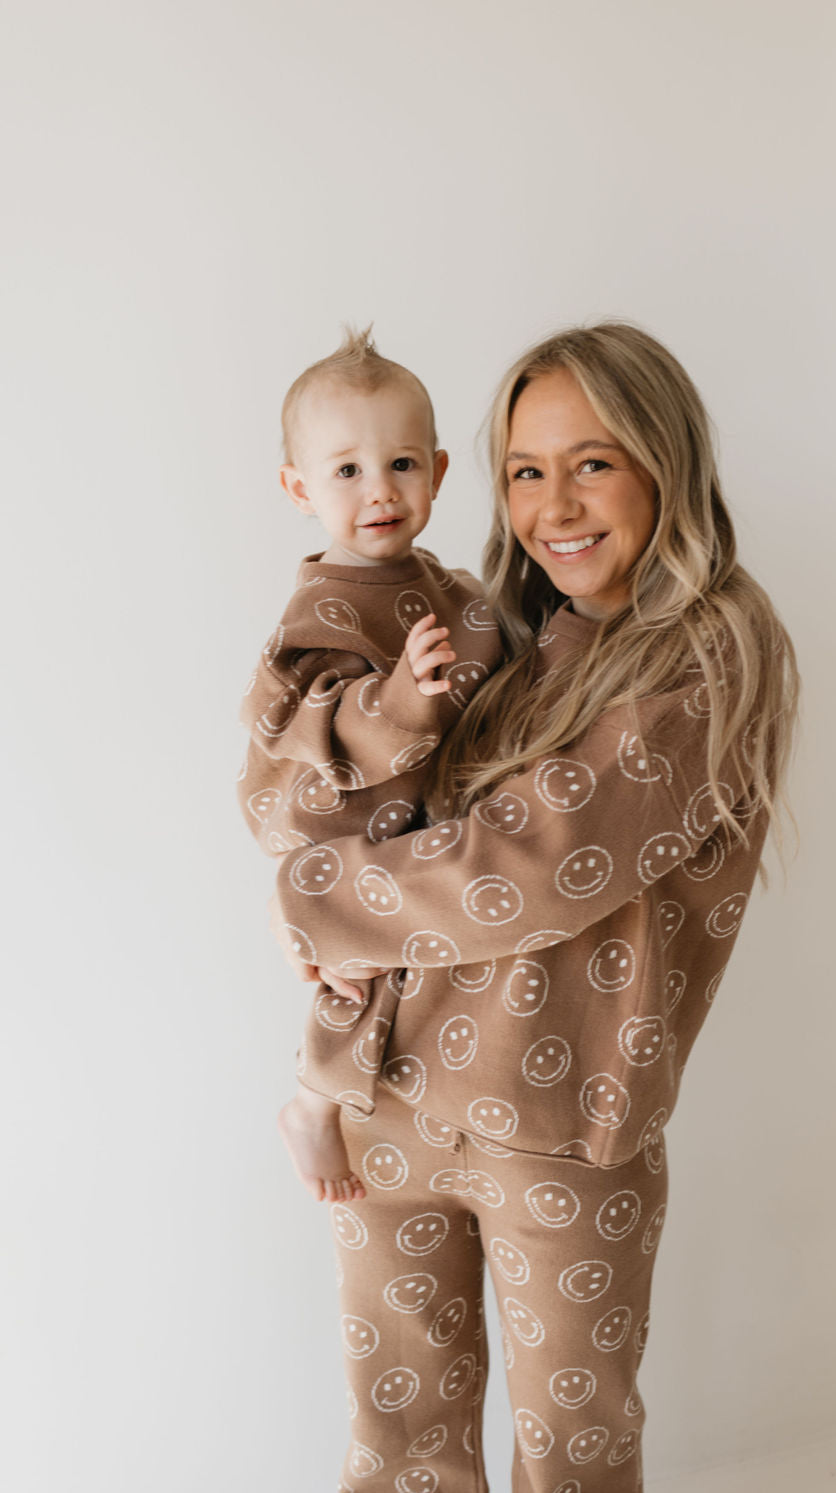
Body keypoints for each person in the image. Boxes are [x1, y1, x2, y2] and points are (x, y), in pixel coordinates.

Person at [269, 322, 800, 1493]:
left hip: (562, 1126)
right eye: (525, 468)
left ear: (665, 464)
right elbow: (353, 795)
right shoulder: (504, 637)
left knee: (571, 1456)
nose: (553, 502)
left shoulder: (711, 650)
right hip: (391, 1102)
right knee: (399, 1445)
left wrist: (317, 893)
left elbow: (530, 862)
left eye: (594, 461)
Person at [239, 326, 502, 1205]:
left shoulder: (443, 584)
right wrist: (399, 699)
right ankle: (313, 1102)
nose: (379, 491)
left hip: (414, 825)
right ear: (297, 487)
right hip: (346, 826)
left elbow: (487, 638)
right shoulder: (320, 608)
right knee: (362, 972)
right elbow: (309, 716)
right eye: (346, 470)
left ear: (435, 470)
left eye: (400, 464)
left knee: (415, 964)